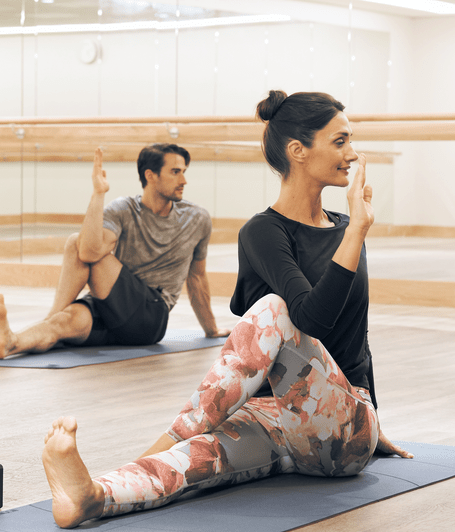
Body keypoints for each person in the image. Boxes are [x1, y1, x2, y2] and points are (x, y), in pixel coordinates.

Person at [40, 90, 413, 529]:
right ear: (298, 151)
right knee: (200, 457)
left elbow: (341, 332)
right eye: (339, 141)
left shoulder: (350, 228)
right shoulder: (261, 233)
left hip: (344, 432)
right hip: (277, 423)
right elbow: (266, 338)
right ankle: (93, 496)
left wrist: (369, 415)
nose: (352, 154)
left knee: (275, 309)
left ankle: (160, 442)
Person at [0, 143, 230, 360]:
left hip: (150, 315)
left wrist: (211, 329)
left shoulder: (197, 219)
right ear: (150, 175)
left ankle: (49, 316)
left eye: (184, 172)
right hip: (109, 306)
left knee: (75, 243)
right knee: (63, 323)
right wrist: (98, 194)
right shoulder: (124, 209)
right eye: (175, 172)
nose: (184, 180)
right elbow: (89, 251)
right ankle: (10, 342)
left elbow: (196, 277)